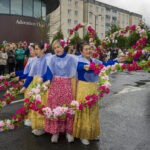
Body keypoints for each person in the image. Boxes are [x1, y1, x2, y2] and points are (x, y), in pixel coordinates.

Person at [44, 40, 78, 143]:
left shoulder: (71, 58)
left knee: (67, 106)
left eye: (58, 47)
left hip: (66, 85)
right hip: (55, 85)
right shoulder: (51, 59)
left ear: (63, 47)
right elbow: (49, 72)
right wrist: (47, 80)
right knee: (54, 106)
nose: (57, 49)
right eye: (55, 48)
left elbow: (79, 66)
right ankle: (55, 132)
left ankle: (68, 131)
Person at [73, 43, 102, 145]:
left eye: (89, 49)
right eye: (86, 49)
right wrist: (85, 66)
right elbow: (79, 67)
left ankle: (92, 134)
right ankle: (83, 135)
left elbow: (104, 64)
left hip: (93, 87)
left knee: (93, 110)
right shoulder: (78, 60)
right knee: (84, 109)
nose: (88, 51)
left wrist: (117, 61)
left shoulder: (95, 61)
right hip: (83, 87)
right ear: (81, 51)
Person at [20, 42, 49, 136]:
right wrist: (25, 86)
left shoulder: (48, 58)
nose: (35, 51)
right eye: (35, 49)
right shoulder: (35, 60)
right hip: (35, 83)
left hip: (44, 84)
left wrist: (44, 80)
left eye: (37, 49)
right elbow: (30, 75)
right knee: (35, 104)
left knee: (42, 104)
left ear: (43, 49)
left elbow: (50, 72)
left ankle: (43, 126)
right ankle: (37, 125)